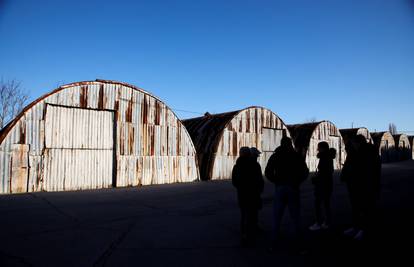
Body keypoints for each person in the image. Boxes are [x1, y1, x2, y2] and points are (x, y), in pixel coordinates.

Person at [265, 137, 309, 248]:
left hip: (280, 188)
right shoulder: (296, 156)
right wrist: (297, 182)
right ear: (290, 144)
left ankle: (274, 243)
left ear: (281, 144)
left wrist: (277, 181)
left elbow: (268, 172)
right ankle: (299, 244)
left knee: (277, 216)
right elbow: (305, 172)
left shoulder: (276, 155)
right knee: (295, 216)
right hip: (293, 187)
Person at [341, 135, 381, 240]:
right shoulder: (355, 153)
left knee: (366, 209)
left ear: (358, 142)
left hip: (365, 186)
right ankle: (356, 227)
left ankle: (365, 230)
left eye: (354, 143)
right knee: (356, 208)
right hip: (355, 186)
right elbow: (349, 167)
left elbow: (372, 171)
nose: (352, 145)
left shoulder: (368, 153)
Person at [232, 146, 264, 246]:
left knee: (244, 214)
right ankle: (251, 234)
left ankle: (244, 234)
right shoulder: (254, 165)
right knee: (252, 213)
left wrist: (240, 188)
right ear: (249, 154)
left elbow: (234, 181)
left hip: (242, 194)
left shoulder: (237, 166)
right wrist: (258, 190)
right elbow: (259, 180)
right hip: (253, 193)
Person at [309, 142, 336, 231]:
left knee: (318, 204)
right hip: (327, 184)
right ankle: (326, 222)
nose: (317, 149)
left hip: (322, 184)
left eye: (319, 147)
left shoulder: (324, 158)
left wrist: (317, 178)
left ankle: (319, 223)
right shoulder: (328, 157)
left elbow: (324, 172)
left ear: (323, 148)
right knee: (326, 204)